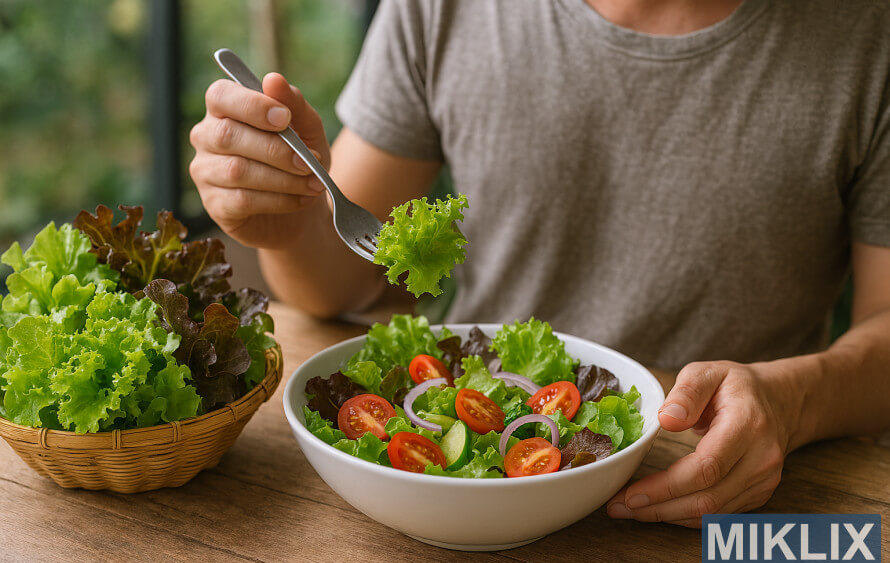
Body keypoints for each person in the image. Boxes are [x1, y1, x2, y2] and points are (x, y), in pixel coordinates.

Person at [188, 0, 890, 527]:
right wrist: (286, 221)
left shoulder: (869, 35)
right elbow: (335, 277)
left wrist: (794, 402)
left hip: (725, 507)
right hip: (452, 497)